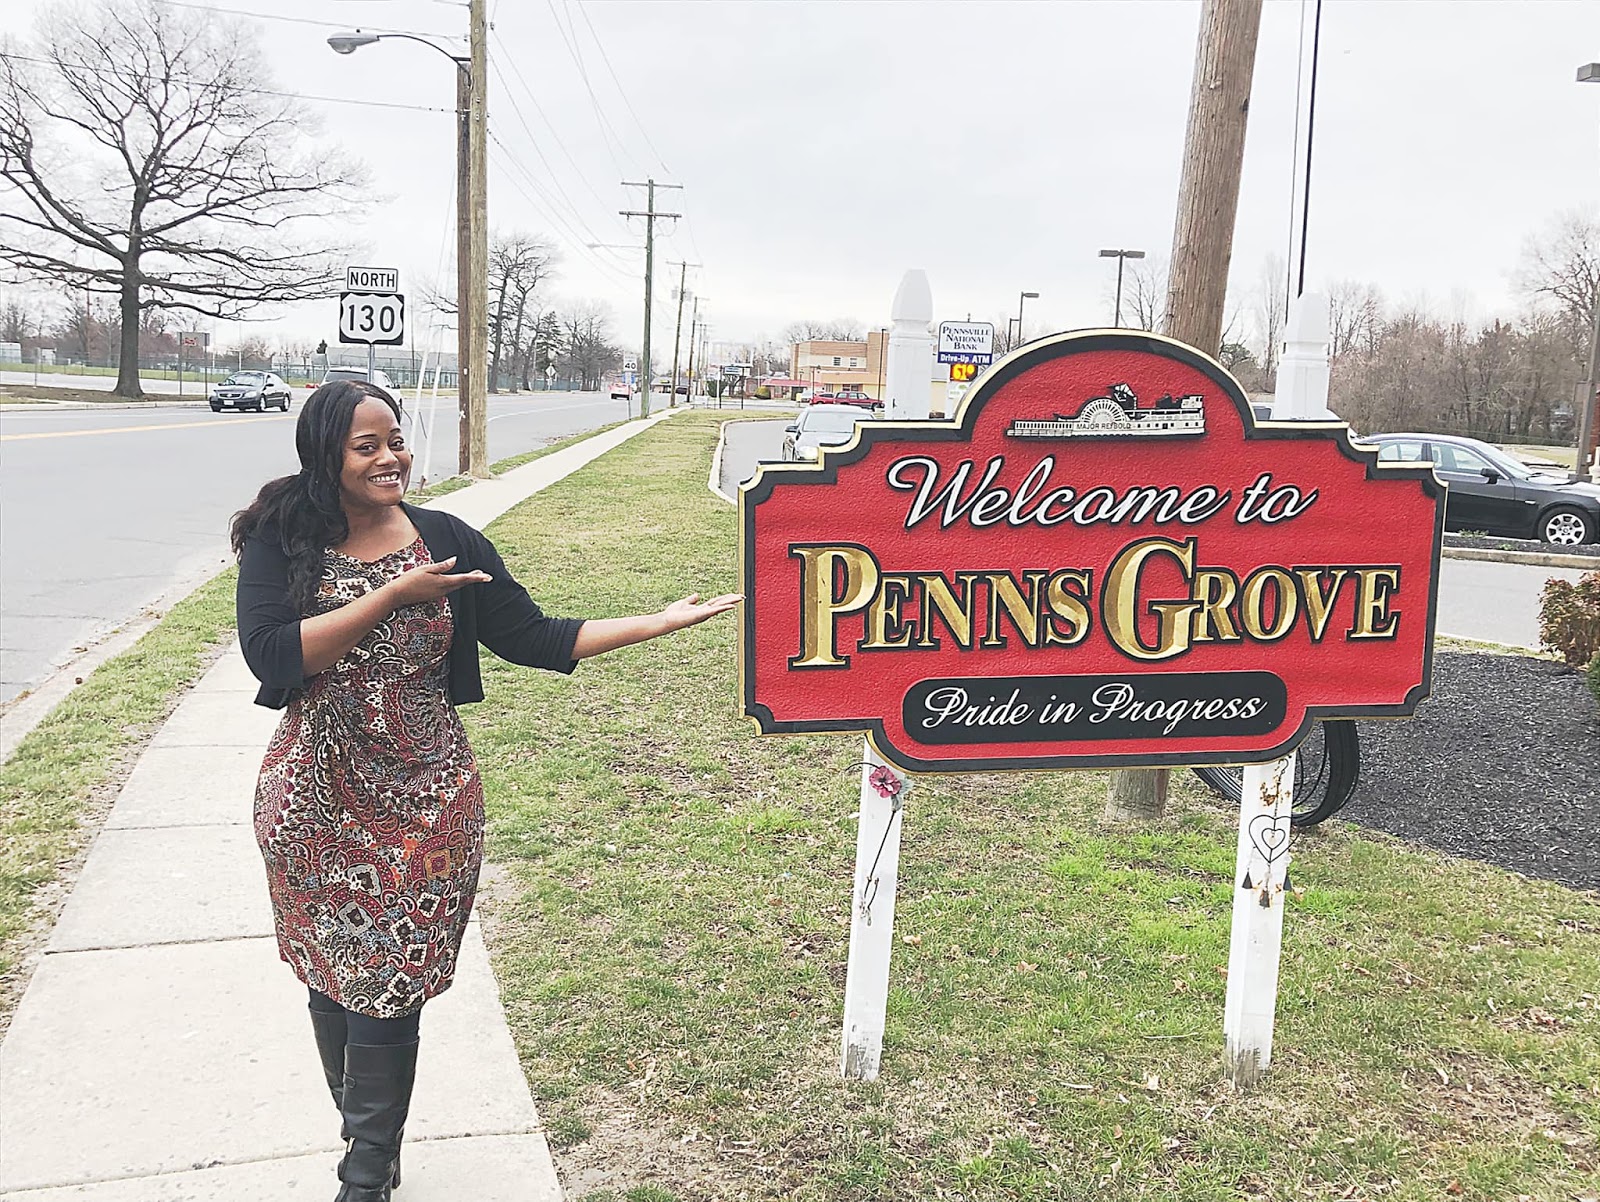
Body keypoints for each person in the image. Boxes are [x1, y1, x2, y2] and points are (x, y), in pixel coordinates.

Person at [230, 380, 739, 1202]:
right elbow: (273, 654)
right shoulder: (282, 537)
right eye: (367, 446)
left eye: (396, 440)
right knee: (331, 971)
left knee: (392, 981)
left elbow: (532, 637)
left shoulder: (446, 538)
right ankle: (367, 1138)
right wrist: (392, 596)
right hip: (314, 793)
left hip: (428, 800)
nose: (391, 457)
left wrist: (656, 622)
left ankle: (366, 1174)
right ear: (327, 456)